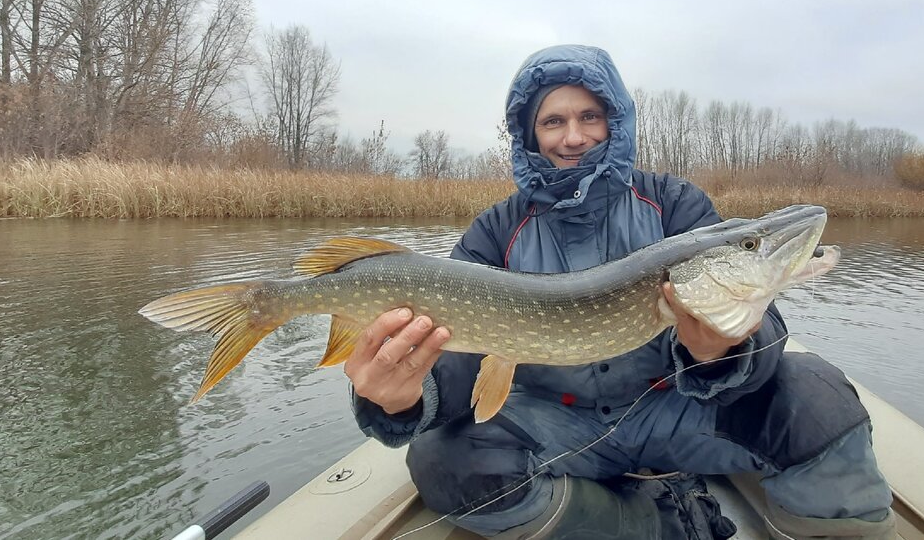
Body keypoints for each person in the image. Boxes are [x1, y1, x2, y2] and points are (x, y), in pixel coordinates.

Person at [346, 44, 895, 539]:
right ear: (530, 135)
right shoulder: (495, 231)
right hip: (551, 421)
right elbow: (460, 354)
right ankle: (654, 522)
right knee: (445, 460)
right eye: (553, 121)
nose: (574, 136)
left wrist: (722, 349)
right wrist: (402, 397)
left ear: (616, 121)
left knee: (819, 396)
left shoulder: (676, 206)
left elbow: (763, 331)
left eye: (590, 116)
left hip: (674, 408)